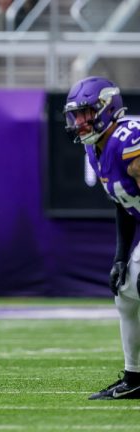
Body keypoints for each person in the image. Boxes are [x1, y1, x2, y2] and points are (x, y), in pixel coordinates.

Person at [64, 76, 140, 400]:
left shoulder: (128, 141)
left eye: (86, 113)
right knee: (125, 290)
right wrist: (121, 256)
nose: (80, 121)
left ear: (108, 109)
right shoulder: (97, 150)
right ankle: (135, 377)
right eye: (76, 115)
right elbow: (124, 206)